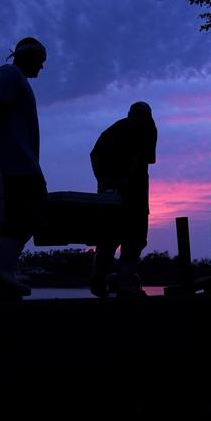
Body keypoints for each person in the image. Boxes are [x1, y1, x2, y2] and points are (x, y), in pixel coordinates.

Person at [0, 37, 48, 300]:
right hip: (14, 162)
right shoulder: (9, 74)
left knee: (11, 217)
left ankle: (2, 271)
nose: (41, 68)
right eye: (40, 62)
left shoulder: (16, 79)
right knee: (34, 210)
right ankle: (1, 268)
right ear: (28, 56)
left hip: (17, 160)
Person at [89, 101, 157, 298]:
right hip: (133, 195)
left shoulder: (112, 129)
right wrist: (126, 180)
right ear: (147, 115)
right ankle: (125, 282)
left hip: (107, 195)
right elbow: (146, 158)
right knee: (134, 239)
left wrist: (104, 181)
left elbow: (94, 155)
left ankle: (99, 278)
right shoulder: (147, 127)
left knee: (107, 238)